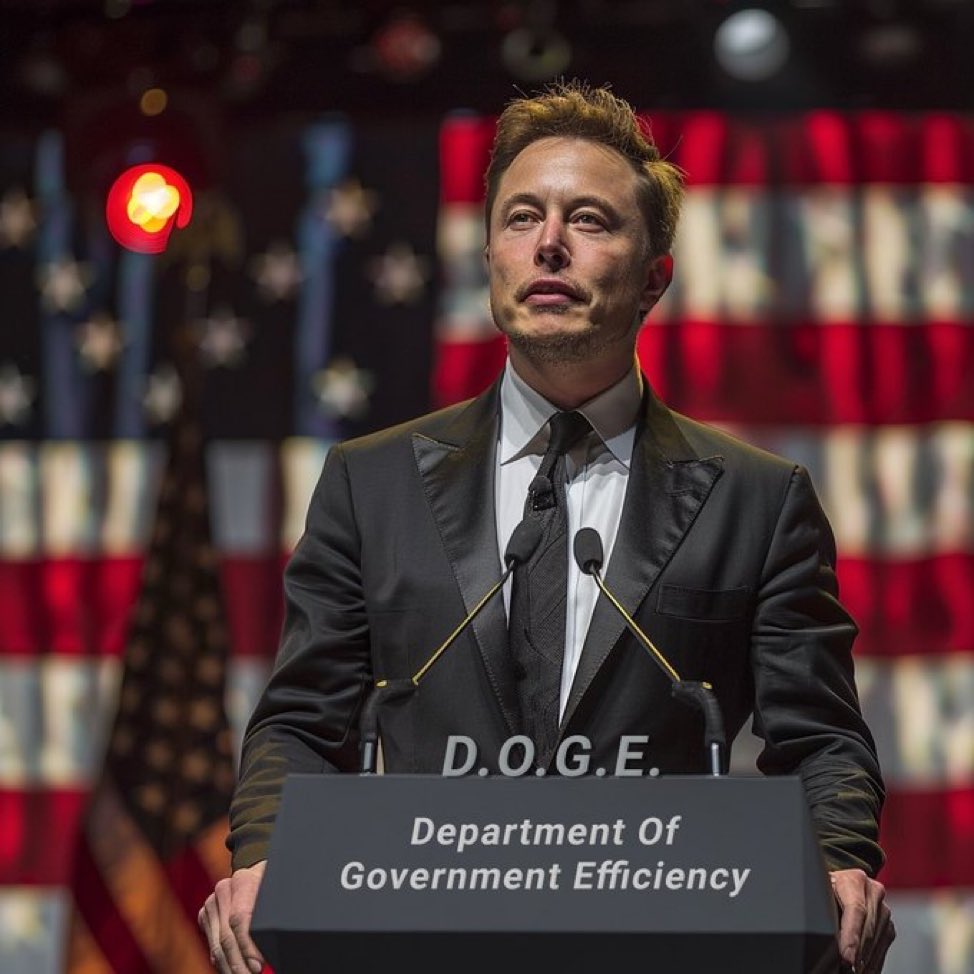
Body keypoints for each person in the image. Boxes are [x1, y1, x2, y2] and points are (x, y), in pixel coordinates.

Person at [199, 81, 894, 974]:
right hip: (422, 938)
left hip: (661, 942)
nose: (550, 243)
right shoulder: (368, 485)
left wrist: (837, 859)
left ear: (654, 278)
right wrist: (265, 855)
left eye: (590, 220)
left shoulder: (757, 501)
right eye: (522, 217)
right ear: (490, 254)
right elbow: (301, 719)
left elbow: (822, 739)